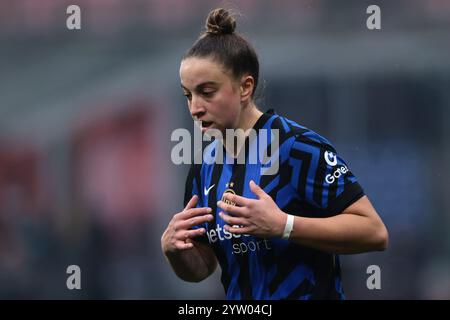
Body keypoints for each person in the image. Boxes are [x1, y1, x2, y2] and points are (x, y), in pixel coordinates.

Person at [161, 8, 388, 300]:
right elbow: (203, 268)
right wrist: (174, 251)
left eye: (207, 91)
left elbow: (374, 232)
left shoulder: (298, 148)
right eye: (188, 95)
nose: (195, 108)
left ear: (245, 87)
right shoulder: (203, 169)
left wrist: (284, 225)